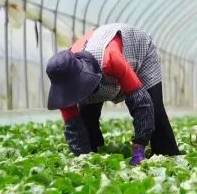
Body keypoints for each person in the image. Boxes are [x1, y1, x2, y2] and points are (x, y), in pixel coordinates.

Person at [45, 23, 180, 165]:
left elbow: (141, 103)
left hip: (139, 51)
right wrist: (83, 160)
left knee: (155, 109)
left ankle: (167, 154)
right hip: (102, 64)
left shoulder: (110, 58)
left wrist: (139, 146)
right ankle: (93, 152)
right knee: (87, 118)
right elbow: (73, 126)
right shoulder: (63, 79)